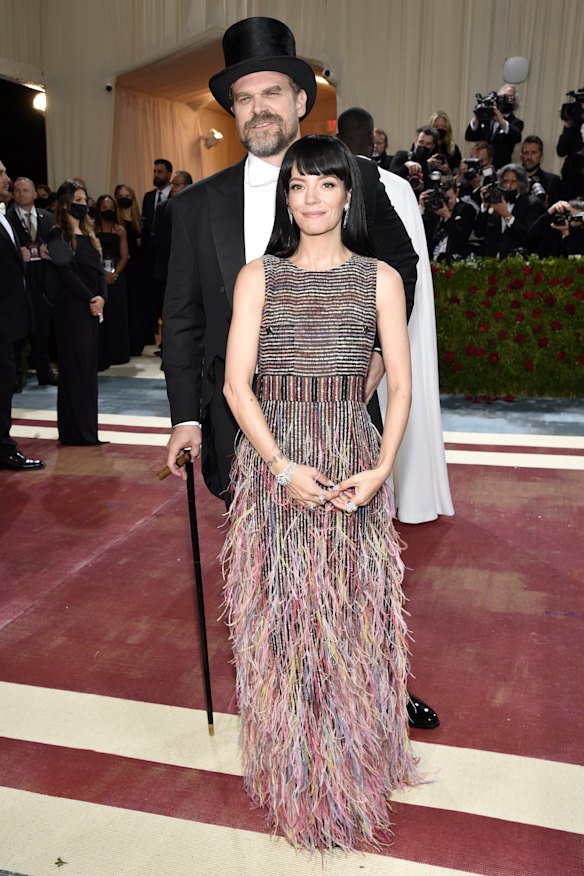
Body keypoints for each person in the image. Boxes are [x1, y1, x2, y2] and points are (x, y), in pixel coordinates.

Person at [163, 16, 436, 731]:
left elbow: (399, 272)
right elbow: (185, 321)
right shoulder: (196, 208)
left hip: (343, 410)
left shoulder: (359, 181)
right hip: (245, 425)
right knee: (276, 575)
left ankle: (379, 686)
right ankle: (289, 701)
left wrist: (372, 363)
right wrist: (186, 418)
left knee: (359, 570)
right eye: (245, 96)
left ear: (298, 100)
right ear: (232, 108)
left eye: (273, 92)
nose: (260, 107)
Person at [221, 134, 419, 851]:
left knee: (349, 623)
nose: (310, 198)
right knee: (280, 624)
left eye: (326, 185)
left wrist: (380, 471)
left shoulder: (379, 279)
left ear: (347, 194)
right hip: (277, 471)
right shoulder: (258, 277)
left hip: (351, 465)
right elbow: (236, 386)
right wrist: (278, 467)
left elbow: (399, 386)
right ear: (287, 197)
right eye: (298, 185)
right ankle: (294, 777)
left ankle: (353, 767)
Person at [337, 106, 454, 526]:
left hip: (356, 325)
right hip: (403, 316)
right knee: (406, 398)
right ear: (372, 141)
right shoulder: (399, 186)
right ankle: (413, 495)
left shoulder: (335, 183)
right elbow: (411, 264)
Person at [47, 180, 106, 445]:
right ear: (65, 203)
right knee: (74, 370)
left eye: (85, 200)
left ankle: (87, 431)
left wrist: (102, 297)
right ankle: (75, 432)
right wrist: (90, 297)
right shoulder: (57, 235)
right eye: (77, 200)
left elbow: (99, 271)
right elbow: (66, 274)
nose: (83, 204)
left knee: (87, 371)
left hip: (92, 310)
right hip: (72, 311)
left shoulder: (89, 235)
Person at [0, 158, 45, 471]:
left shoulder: (4, 218)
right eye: (1, 172)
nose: (7, 177)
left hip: (11, 321)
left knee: (5, 388)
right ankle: (4, 449)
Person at [7, 176, 58, 386]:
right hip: (19, 284)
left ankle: (44, 372)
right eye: (17, 190)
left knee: (43, 331)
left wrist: (51, 252)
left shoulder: (48, 218)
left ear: (35, 194)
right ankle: (17, 374)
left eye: (25, 190)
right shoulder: (7, 218)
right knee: (19, 333)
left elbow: (60, 246)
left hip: (43, 284)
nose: (21, 194)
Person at [474, 163, 543, 257]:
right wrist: (485, 206)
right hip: (490, 260)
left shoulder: (532, 204)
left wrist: (506, 215)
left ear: (521, 183)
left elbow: (528, 235)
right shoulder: (495, 200)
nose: (508, 185)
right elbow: (479, 232)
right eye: (505, 181)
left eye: (513, 181)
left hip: (515, 261)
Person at [95, 194, 130, 368]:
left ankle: (119, 353)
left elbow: (125, 256)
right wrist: (102, 274)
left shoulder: (120, 230)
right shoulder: (92, 229)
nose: (107, 211)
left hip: (116, 276)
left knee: (117, 314)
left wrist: (114, 273)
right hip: (98, 275)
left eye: (110, 208)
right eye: (104, 208)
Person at [115, 183, 146, 355]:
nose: (124, 198)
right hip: (120, 269)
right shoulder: (114, 222)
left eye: (127, 194)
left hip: (137, 271)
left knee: (136, 307)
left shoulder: (141, 222)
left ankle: (136, 345)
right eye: (121, 195)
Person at [465, 84, 524, 169]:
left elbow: (516, 136)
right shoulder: (487, 120)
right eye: (503, 97)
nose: (505, 101)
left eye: (510, 98)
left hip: (500, 168)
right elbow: (469, 136)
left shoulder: (516, 122)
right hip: (480, 165)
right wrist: (477, 118)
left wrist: (501, 120)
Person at [420, 176, 475, 261]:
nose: (445, 203)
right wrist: (422, 208)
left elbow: (462, 239)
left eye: (448, 199)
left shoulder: (466, 209)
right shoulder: (435, 208)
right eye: (443, 199)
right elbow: (422, 233)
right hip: (433, 259)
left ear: (457, 192)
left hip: (456, 260)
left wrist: (447, 217)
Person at [390, 125, 440, 195]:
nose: (423, 146)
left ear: (433, 146)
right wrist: (406, 166)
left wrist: (422, 188)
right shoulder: (402, 155)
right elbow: (390, 179)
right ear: (415, 141)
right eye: (421, 142)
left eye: (428, 144)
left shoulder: (428, 167)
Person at [520, 135, 565, 205]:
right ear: (521, 156)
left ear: (541, 156)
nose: (529, 157)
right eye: (526, 153)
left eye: (534, 153)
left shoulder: (552, 181)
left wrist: (546, 206)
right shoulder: (513, 178)